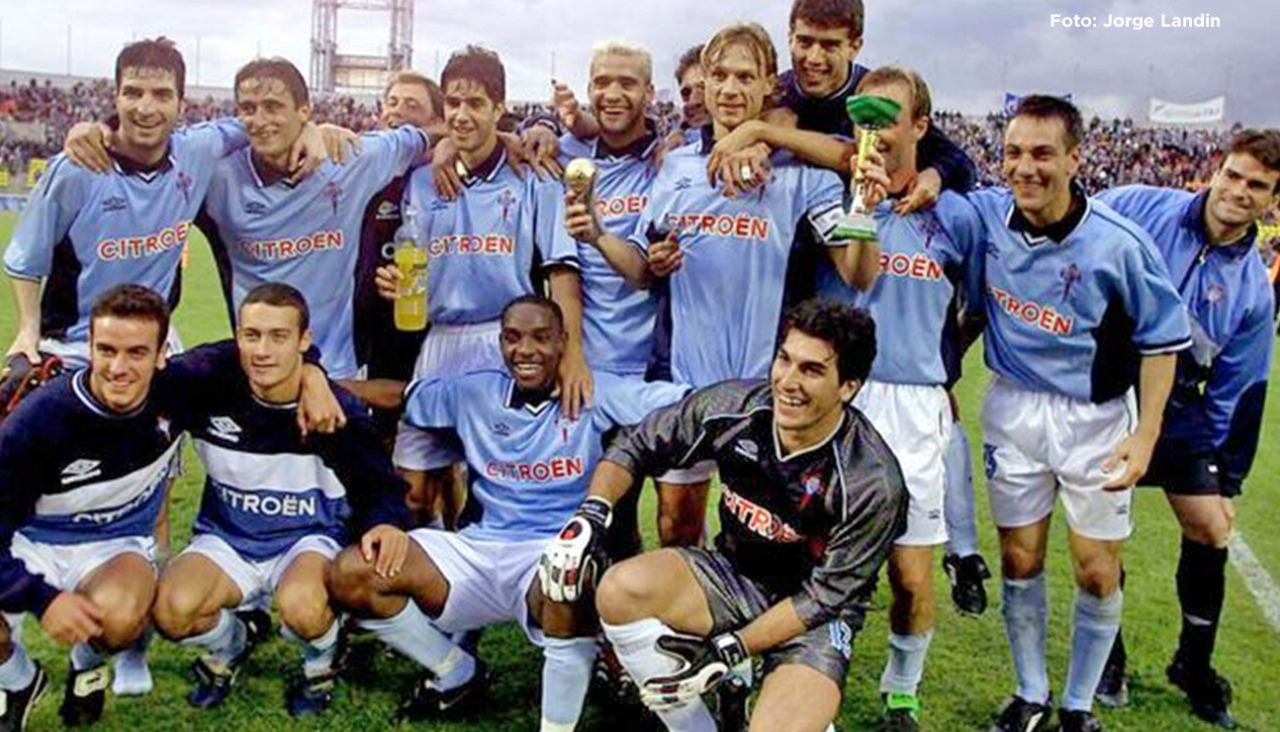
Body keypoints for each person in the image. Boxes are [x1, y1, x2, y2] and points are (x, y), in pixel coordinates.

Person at [541, 298, 907, 732]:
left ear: (848, 387)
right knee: (620, 590)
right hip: (732, 577)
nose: (788, 381)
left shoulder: (872, 480)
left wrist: (729, 649)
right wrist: (590, 515)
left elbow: (826, 597)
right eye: (784, 359)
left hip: (815, 618)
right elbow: (637, 443)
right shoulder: (734, 406)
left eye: (811, 370)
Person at [327, 295, 690, 730]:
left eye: (540, 338)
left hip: (553, 552)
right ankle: (456, 672)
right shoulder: (477, 391)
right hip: (478, 549)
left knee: (566, 577)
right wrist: (312, 382)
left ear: (564, 342)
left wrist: (754, 398)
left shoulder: (600, 390)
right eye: (512, 338)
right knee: (351, 572)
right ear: (500, 342)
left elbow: (684, 401)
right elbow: (398, 395)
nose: (525, 350)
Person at [967, 96, 1191, 732]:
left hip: (1095, 420)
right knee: (1020, 559)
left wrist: (1146, 436)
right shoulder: (987, 218)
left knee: (1096, 568)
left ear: (1074, 159)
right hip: (1013, 407)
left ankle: (1079, 705)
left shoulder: (1119, 243)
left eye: (1043, 153)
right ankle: (1031, 694)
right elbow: (934, 173)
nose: (1026, 167)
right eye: (1014, 153)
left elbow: (1162, 341)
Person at [1090, 129, 1280, 729]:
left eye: (1257, 186)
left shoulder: (1254, 289)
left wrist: (1228, 478)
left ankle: (1192, 665)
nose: (1239, 192)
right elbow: (1078, 228)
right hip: (1110, 384)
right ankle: (1107, 658)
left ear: (1272, 200)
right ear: (1216, 172)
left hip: (1180, 404)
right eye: (1233, 175)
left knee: (1211, 525)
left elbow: (1240, 387)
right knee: (1104, 528)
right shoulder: (1138, 204)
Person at [150, 283, 409, 716]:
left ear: (304, 341)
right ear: (237, 336)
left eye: (278, 336)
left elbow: (381, 486)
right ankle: (234, 642)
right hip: (228, 538)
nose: (262, 350)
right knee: (171, 611)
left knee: (301, 607)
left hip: (307, 540)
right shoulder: (206, 384)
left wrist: (386, 522)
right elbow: (137, 381)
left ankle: (320, 662)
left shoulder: (334, 409)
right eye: (251, 335)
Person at [824, 66, 984, 731]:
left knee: (912, 575)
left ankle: (903, 690)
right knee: (830, 566)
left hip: (918, 407)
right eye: (864, 116)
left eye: (889, 116)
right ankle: (815, 682)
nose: (876, 130)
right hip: (848, 402)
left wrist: (943, 368)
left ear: (920, 126)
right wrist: (863, 206)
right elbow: (859, 280)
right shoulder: (839, 200)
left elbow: (979, 305)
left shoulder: (959, 216)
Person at [378, 46, 590, 530]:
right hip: (438, 340)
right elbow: (413, 258)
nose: (462, 115)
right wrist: (394, 284)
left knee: (495, 488)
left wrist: (572, 352)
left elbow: (562, 271)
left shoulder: (533, 176)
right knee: (413, 491)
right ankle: (430, 567)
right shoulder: (422, 181)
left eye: (475, 103)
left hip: (503, 342)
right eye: (453, 103)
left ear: (499, 108)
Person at [0, 285, 179, 728]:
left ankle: (86, 668)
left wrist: (310, 374)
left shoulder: (183, 390)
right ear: (90, 349)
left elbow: (256, 358)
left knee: (120, 619)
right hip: (31, 539)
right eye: (106, 350)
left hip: (113, 543)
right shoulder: (37, 422)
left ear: (162, 355)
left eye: (137, 352)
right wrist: (42, 599)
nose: (118, 368)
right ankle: (19, 680)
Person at [199, 57, 428, 382]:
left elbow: (431, 134)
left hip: (338, 371)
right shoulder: (216, 179)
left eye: (273, 107)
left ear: (304, 110)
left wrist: (456, 145)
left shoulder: (351, 157)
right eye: (248, 108)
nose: (259, 120)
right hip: (259, 369)